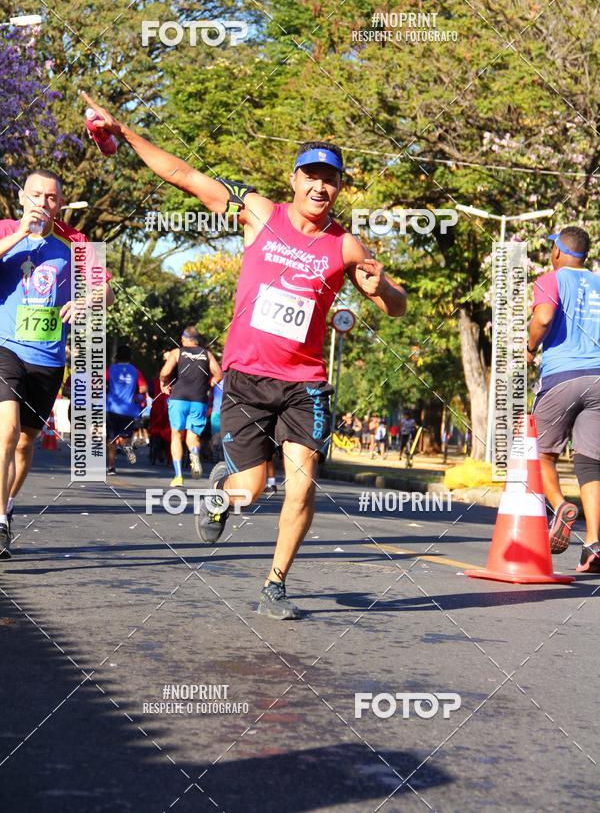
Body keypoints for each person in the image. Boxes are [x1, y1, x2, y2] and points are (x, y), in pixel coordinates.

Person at [80, 92, 407, 619]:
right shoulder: (259, 213)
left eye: (331, 179)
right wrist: (125, 132)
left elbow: (396, 306)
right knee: (251, 491)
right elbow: (184, 174)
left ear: (339, 188)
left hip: (305, 383)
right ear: (295, 179)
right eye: (311, 175)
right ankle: (221, 494)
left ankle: (276, 584)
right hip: (248, 377)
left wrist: (382, 286)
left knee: (301, 485)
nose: (320, 185)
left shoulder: (347, 247)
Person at [0, 169, 114, 557]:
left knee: (26, 443)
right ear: (22, 198)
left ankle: (8, 505)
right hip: (5, 348)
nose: (43, 203)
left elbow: (107, 290)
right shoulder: (4, 230)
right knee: (7, 431)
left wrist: (87, 301)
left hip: (48, 358)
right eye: (36, 195)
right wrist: (20, 235)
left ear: (60, 204)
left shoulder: (75, 241)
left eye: (51, 198)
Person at [528, 226, 600, 573]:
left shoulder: (551, 279)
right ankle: (594, 546)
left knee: (542, 453)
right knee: (590, 463)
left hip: (561, 376)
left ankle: (560, 507)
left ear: (557, 251)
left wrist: (530, 348)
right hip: (599, 380)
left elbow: (542, 317)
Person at [160, 326, 222, 486]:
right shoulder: (206, 354)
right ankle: (194, 455)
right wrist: (208, 385)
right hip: (199, 400)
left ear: (183, 339)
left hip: (178, 398)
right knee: (193, 437)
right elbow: (219, 374)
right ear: (197, 340)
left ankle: (179, 476)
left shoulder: (177, 352)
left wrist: (163, 382)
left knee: (176, 435)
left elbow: (165, 372)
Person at [106, 344, 148, 475]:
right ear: (130, 357)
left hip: (112, 408)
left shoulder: (111, 369)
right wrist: (137, 396)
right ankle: (127, 448)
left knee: (111, 438)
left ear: (117, 356)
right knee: (125, 436)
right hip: (129, 410)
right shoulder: (135, 371)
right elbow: (144, 388)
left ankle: (111, 467)